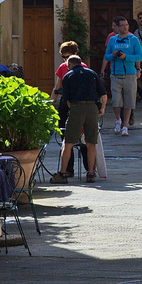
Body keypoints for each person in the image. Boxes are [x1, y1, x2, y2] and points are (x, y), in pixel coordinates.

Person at [53, 55, 108, 183]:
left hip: (77, 108)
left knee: (68, 143)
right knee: (91, 143)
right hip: (92, 108)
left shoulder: (68, 75)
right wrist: (102, 109)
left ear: (70, 65)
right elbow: (104, 95)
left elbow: (67, 100)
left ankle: (63, 173)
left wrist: (74, 109)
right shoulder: (92, 73)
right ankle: (90, 173)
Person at [103, 16, 142, 136]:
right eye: (122, 25)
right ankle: (118, 120)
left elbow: (139, 56)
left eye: (126, 25)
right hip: (116, 73)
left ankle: (125, 125)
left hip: (130, 74)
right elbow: (107, 56)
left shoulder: (134, 40)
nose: (125, 27)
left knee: (129, 101)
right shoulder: (112, 40)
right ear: (117, 27)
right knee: (116, 100)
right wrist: (113, 55)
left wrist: (126, 57)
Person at [52, 41, 82, 177]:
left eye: (68, 57)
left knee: (82, 139)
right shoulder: (62, 67)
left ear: (75, 55)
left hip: (78, 103)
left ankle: (89, 169)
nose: (65, 60)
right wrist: (51, 102)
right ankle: (69, 169)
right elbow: (57, 86)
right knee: (65, 137)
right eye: (63, 57)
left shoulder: (82, 68)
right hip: (65, 102)